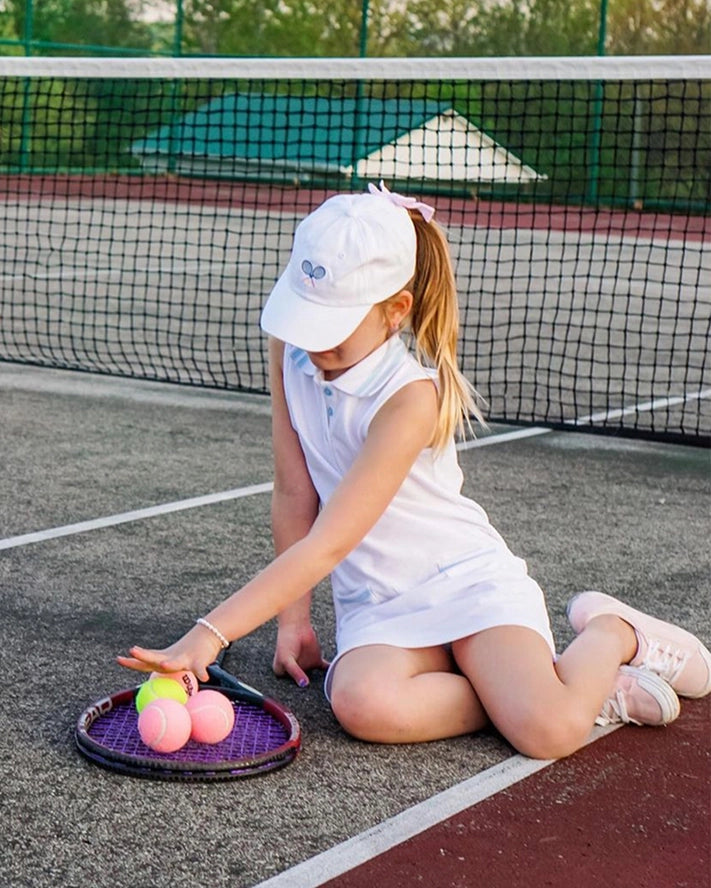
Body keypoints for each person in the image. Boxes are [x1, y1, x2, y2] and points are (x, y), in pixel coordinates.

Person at [119, 182, 711, 759]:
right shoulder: (288, 347)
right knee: (360, 705)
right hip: (378, 605)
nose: (311, 340)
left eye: (333, 327)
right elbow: (294, 488)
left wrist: (210, 634)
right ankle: (533, 688)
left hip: (467, 583)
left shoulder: (409, 398)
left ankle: (610, 634)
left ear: (395, 311)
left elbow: (329, 542)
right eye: (306, 317)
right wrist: (292, 620)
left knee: (549, 733)